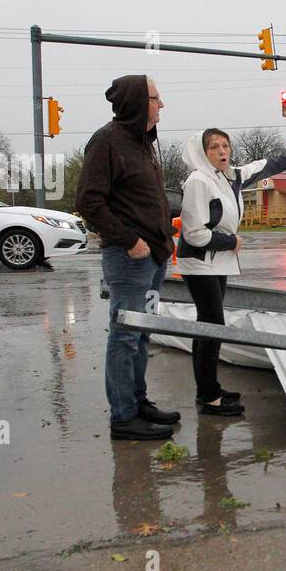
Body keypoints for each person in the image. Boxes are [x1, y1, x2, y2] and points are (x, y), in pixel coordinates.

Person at [76, 75, 181, 441]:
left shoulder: (143, 142)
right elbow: (89, 201)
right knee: (124, 335)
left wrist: (163, 241)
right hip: (129, 257)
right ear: (138, 102)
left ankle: (138, 402)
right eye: (156, 98)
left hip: (153, 256)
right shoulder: (107, 141)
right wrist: (130, 240)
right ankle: (123, 417)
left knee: (142, 333)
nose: (161, 105)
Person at [176, 128, 286, 415]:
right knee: (211, 326)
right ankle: (209, 397)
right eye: (214, 147)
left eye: (225, 146)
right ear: (202, 153)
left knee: (207, 325)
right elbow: (194, 233)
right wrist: (231, 241)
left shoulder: (228, 177)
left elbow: (259, 168)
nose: (222, 151)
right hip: (201, 262)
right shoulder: (199, 181)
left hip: (216, 261)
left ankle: (207, 389)